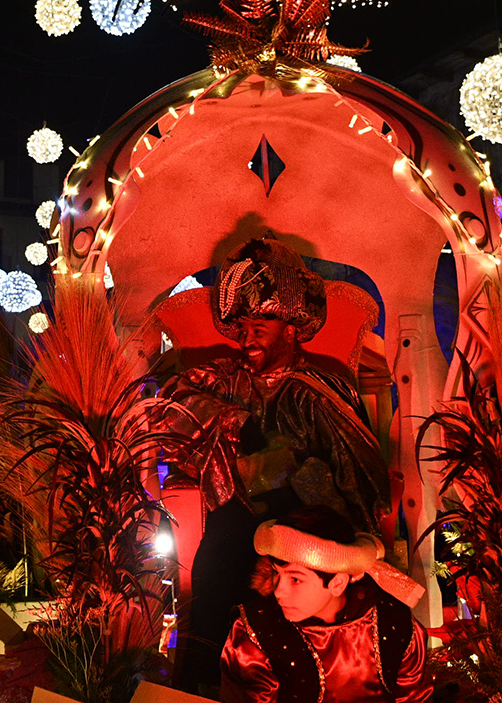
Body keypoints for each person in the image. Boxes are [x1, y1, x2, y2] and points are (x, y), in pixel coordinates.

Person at [160, 237, 389, 693]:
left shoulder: (318, 388)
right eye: (241, 327)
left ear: (289, 328)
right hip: (231, 525)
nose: (247, 339)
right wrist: (235, 423)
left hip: (304, 536)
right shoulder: (224, 378)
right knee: (215, 579)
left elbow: (358, 476)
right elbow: (171, 403)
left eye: (258, 326)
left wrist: (301, 479)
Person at [219, 506, 430, 703]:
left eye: (296, 579)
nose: (279, 590)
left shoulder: (393, 623)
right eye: (276, 573)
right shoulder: (257, 633)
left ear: (337, 582)